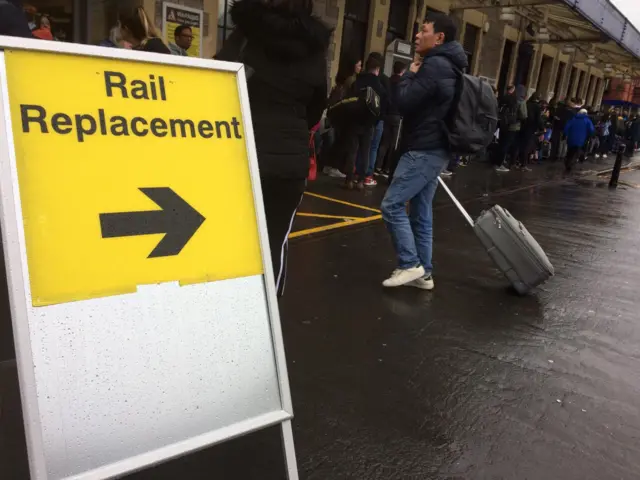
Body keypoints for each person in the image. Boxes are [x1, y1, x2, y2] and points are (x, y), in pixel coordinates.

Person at [216, 0, 330, 296]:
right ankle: (268, 322)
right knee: (274, 242)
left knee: (227, 239)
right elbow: (317, 107)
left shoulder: (245, 35)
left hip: (238, 152)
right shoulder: (314, 47)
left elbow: (215, 84)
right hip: (288, 163)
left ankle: (226, 311)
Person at [380, 12, 467, 290]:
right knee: (421, 212)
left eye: (424, 30)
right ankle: (425, 273)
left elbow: (403, 102)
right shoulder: (450, 64)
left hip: (423, 147)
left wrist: (408, 75)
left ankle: (410, 264)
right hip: (436, 147)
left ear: (439, 37)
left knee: (392, 205)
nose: (417, 35)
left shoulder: (435, 65)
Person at [343, 54, 385, 190]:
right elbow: (383, 105)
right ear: (377, 68)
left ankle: (349, 178)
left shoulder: (358, 81)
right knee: (365, 151)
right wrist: (376, 120)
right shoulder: (379, 85)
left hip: (354, 121)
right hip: (369, 122)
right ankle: (361, 180)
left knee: (352, 150)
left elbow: (349, 99)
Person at [321, 56, 362, 178]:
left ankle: (328, 166)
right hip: (341, 115)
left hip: (335, 114)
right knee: (340, 143)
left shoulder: (342, 80)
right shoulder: (351, 81)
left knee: (333, 142)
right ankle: (333, 167)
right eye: (359, 65)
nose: (360, 68)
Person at [362, 51, 390, 186]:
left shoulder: (360, 78)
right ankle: (368, 175)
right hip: (377, 119)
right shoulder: (383, 81)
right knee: (373, 147)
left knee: (362, 146)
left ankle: (357, 172)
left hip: (361, 117)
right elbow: (386, 101)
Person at [375, 61, 407, 178]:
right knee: (394, 143)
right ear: (403, 71)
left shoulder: (388, 81)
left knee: (384, 142)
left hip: (387, 114)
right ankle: (387, 168)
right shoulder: (403, 83)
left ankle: (378, 166)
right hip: (397, 115)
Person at [496, 84, 525, 172]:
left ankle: (497, 161)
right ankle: (500, 163)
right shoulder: (515, 100)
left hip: (502, 123)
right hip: (511, 125)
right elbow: (523, 115)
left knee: (501, 143)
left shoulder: (502, 97)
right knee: (506, 145)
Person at [564, 108, 595, 172]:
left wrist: (565, 134)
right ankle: (571, 163)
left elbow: (566, 127)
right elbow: (591, 130)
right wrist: (591, 135)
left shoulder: (573, 119)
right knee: (577, 151)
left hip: (571, 138)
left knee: (570, 151)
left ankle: (568, 162)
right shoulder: (587, 120)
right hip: (581, 139)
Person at [520, 91, 544, 171]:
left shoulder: (527, 104)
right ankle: (523, 164)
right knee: (527, 146)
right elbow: (538, 119)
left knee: (520, 145)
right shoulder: (537, 107)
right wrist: (542, 128)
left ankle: (517, 162)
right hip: (531, 128)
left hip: (522, 126)